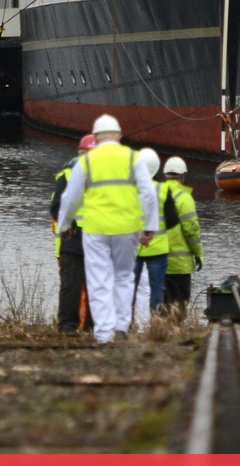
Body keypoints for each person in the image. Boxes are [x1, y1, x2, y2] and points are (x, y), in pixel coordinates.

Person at [55, 115, 159, 343]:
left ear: (98, 137)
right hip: (127, 227)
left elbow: (70, 198)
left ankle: (102, 334)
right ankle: (121, 326)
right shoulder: (133, 158)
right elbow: (149, 195)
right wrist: (150, 226)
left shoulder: (87, 162)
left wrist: (63, 226)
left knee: (98, 280)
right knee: (123, 276)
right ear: (119, 136)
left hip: (96, 229)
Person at [51, 134, 97, 333]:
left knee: (83, 285)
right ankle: (79, 326)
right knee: (83, 285)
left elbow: (56, 207)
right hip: (86, 238)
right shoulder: (71, 176)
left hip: (85, 237)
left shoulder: (70, 176)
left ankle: (79, 326)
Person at [162, 156, 203, 321]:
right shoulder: (185, 199)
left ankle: (161, 330)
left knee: (163, 303)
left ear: (165, 174)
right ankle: (177, 331)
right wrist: (198, 254)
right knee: (179, 304)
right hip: (181, 265)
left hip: (159, 261)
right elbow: (192, 231)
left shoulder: (156, 192)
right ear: (183, 176)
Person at [132, 148, 168, 330]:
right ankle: (156, 325)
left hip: (134, 247)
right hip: (158, 248)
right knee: (157, 288)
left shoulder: (130, 191)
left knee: (129, 286)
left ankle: (126, 325)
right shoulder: (163, 190)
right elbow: (173, 219)